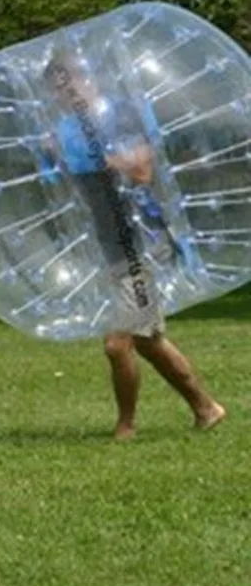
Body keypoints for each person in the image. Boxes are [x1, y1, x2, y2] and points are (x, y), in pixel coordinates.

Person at [42, 47, 225, 440]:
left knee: (117, 342)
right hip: (111, 243)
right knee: (147, 339)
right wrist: (58, 157)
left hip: (142, 241)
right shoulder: (64, 131)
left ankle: (125, 427)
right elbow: (67, 191)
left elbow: (141, 171)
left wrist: (95, 158)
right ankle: (206, 408)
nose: (62, 94)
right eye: (55, 88)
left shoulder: (121, 115)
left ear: (86, 78)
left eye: (66, 83)